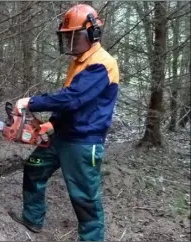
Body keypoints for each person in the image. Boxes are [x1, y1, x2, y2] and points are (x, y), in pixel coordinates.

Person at [8, 4, 120, 241]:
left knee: (84, 196)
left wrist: (32, 102)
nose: (70, 42)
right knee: (35, 167)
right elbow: (70, 100)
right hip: (62, 136)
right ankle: (33, 217)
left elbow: (73, 98)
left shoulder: (102, 64)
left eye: (74, 36)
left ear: (92, 33)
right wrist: (53, 124)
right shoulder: (79, 62)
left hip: (83, 142)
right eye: (67, 37)